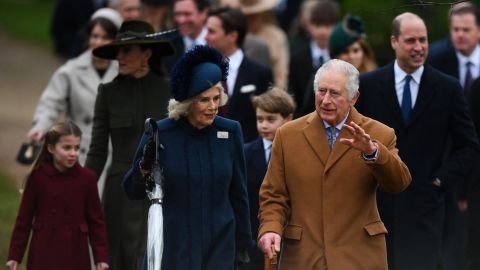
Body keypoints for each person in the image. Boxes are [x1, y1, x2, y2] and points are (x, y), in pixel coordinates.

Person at [257, 59, 412, 269]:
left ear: (353, 97)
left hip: (359, 257)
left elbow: (399, 182)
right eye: (321, 91)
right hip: (305, 256)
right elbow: (274, 194)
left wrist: (372, 152)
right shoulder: (288, 135)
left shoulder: (378, 134)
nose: (326, 100)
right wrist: (270, 228)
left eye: (335, 93)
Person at [357, 12, 479, 270]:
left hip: (426, 211)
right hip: (377, 208)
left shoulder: (447, 88)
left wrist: (440, 181)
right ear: (394, 42)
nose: (419, 47)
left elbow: (469, 146)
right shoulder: (369, 85)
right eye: (411, 41)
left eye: (423, 40)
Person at [123, 45, 253, 269]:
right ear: (187, 102)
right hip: (174, 246)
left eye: (216, 98)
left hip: (219, 245)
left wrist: (243, 247)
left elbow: (239, 194)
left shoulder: (230, 132)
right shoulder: (159, 133)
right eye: (204, 100)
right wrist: (144, 167)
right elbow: (131, 190)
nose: (213, 107)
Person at [85, 20, 174, 270]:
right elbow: (97, 150)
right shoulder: (108, 92)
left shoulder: (169, 91)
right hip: (119, 192)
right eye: (117, 51)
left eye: (127, 51)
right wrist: (79, 189)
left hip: (159, 188)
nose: (119, 57)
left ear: (146, 53)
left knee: (154, 256)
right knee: (117, 257)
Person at [27, 8, 122, 195]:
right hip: (80, 153)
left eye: (105, 37)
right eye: (94, 36)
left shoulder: (124, 71)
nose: (98, 42)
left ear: (116, 40)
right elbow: (51, 102)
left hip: (116, 155)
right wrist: (40, 126)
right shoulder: (71, 70)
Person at [6, 121, 109, 270]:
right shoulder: (37, 177)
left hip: (76, 253)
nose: (73, 153)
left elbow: (96, 223)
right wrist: (14, 256)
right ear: (51, 148)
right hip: (43, 253)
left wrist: (101, 258)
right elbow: (24, 219)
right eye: (67, 148)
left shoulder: (87, 179)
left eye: (76, 148)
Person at [427, 3, 480, 269]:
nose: (460, 35)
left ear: (479, 31)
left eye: (466, 30)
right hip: (451, 161)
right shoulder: (437, 59)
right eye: (455, 29)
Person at [205, 6, 273, 142]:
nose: (206, 37)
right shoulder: (202, 72)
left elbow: (267, 116)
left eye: (211, 32)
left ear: (232, 36)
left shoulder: (260, 73)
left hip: (246, 154)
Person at [244, 87, 295, 269]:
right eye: (260, 119)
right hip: (254, 238)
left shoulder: (297, 152)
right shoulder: (245, 153)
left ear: (288, 119)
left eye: (271, 119)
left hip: (290, 238)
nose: (264, 125)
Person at [301, 14, 377, 116]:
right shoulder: (320, 79)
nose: (351, 56)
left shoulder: (376, 80)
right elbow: (307, 115)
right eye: (345, 51)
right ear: (336, 56)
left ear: (364, 52)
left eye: (356, 50)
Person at [288, 0, 340, 117]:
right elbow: (294, 95)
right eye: (317, 25)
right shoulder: (297, 58)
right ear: (308, 26)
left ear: (336, 26)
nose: (322, 31)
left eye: (327, 26)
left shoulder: (341, 56)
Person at [239, 0, 289, 87]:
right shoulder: (235, 34)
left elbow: (281, 75)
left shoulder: (276, 36)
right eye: (248, 15)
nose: (252, 18)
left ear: (263, 13)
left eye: (256, 14)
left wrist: (274, 97)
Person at [162, 0, 210, 73]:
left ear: (204, 13)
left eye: (187, 14)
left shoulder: (219, 42)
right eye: (177, 14)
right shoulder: (166, 45)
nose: (181, 20)